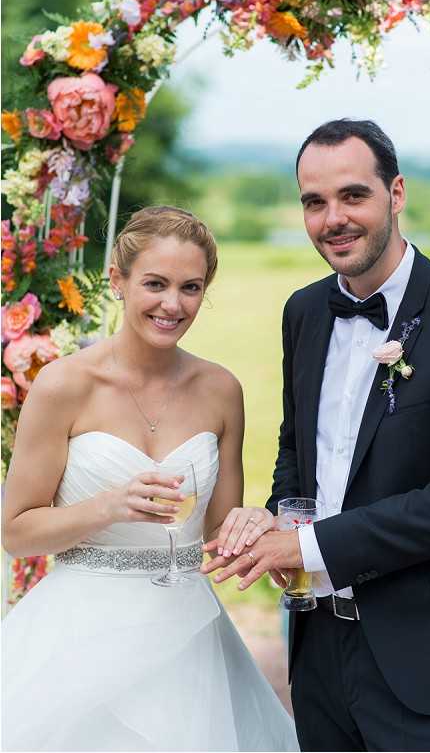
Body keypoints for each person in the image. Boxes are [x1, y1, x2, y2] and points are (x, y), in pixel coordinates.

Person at [202, 120, 430, 752]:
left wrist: (309, 547)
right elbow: (300, 453)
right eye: (314, 202)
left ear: (396, 193)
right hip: (320, 650)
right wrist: (275, 520)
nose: (333, 219)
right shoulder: (303, 310)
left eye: (353, 196)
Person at [1, 205, 298, 753]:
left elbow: (218, 533)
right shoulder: (64, 386)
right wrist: (108, 506)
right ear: (118, 281)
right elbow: (16, 533)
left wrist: (254, 525)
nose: (172, 304)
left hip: (188, 635)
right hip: (80, 635)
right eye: (155, 284)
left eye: (190, 287)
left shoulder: (221, 389)